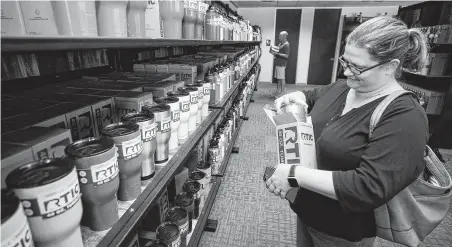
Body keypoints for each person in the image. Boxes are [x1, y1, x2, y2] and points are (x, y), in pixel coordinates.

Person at [266, 16, 429, 247]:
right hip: (308, 214)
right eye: (345, 61)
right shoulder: (344, 87)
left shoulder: (405, 116)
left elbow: (368, 187)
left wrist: (294, 174)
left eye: (358, 67)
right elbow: (316, 96)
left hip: (342, 232)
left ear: (390, 67)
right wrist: (299, 96)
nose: (347, 71)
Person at [271, 31, 290, 97]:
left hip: (281, 64)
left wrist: (278, 54)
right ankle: (278, 91)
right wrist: (272, 51)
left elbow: (287, 55)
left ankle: (282, 93)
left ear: (284, 37)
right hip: (278, 63)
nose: (279, 37)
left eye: (280, 36)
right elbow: (277, 50)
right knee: (278, 79)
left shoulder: (286, 45)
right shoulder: (281, 44)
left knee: (282, 79)